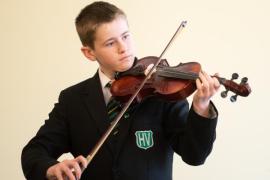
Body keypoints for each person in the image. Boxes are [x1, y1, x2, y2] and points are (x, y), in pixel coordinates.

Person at [21, 1, 220, 180]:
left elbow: (195, 155)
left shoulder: (162, 89)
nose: (123, 48)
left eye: (125, 36)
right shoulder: (72, 100)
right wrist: (52, 168)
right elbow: (34, 152)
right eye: (110, 43)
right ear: (89, 52)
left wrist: (201, 106)